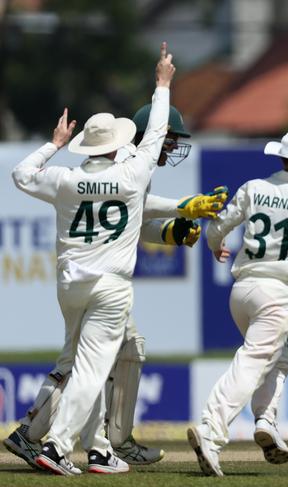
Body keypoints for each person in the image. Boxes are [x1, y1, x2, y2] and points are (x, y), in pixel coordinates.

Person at [2, 102, 228, 471]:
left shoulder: (88, 170)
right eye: (168, 139)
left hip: (75, 279)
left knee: (102, 355)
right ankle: (90, 443)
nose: (170, 148)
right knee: (90, 362)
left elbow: (129, 220)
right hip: (106, 280)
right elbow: (137, 203)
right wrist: (182, 207)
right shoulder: (130, 164)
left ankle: (95, 443)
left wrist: (172, 231)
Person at [9, 42, 175, 476]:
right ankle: (58, 446)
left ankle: (99, 450)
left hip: (69, 286)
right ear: (118, 144)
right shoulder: (133, 173)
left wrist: (53, 144)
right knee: (89, 369)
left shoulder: (65, 179)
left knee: (87, 362)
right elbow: (156, 132)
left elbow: (21, 175)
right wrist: (162, 83)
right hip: (109, 286)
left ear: (85, 147)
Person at [187, 128, 288, 477]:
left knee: (277, 359)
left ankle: (266, 421)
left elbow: (216, 228)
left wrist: (215, 246)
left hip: (242, 292)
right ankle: (211, 431)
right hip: (279, 294)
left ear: (282, 156)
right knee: (255, 359)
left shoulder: (254, 187)